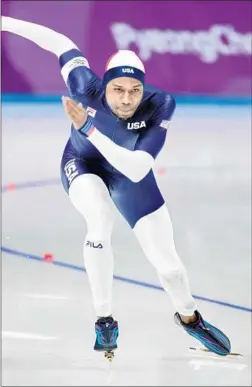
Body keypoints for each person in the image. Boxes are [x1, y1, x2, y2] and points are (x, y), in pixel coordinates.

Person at [2, 16, 231, 358]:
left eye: (134, 90)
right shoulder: (83, 86)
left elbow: (138, 168)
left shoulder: (160, 105)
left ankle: (190, 318)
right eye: (118, 90)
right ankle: (104, 319)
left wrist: (90, 128)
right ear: (104, 86)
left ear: (144, 89)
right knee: (100, 218)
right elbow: (58, 40)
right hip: (82, 164)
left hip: (129, 171)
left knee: (168, 265)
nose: (126, 99)